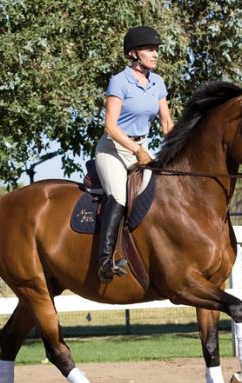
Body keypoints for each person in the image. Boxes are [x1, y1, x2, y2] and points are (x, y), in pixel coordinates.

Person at [95, 26, 174, 283]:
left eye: (156, 50)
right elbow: (111, 126)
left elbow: (166, 123)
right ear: (133, 54)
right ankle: (105, 261)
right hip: (114, 149)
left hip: (142, 148)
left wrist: (176, 147)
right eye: (150, 49)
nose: (155, 54)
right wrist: (137, 150)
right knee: (118, 195)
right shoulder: (119, 81)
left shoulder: (157, 82)